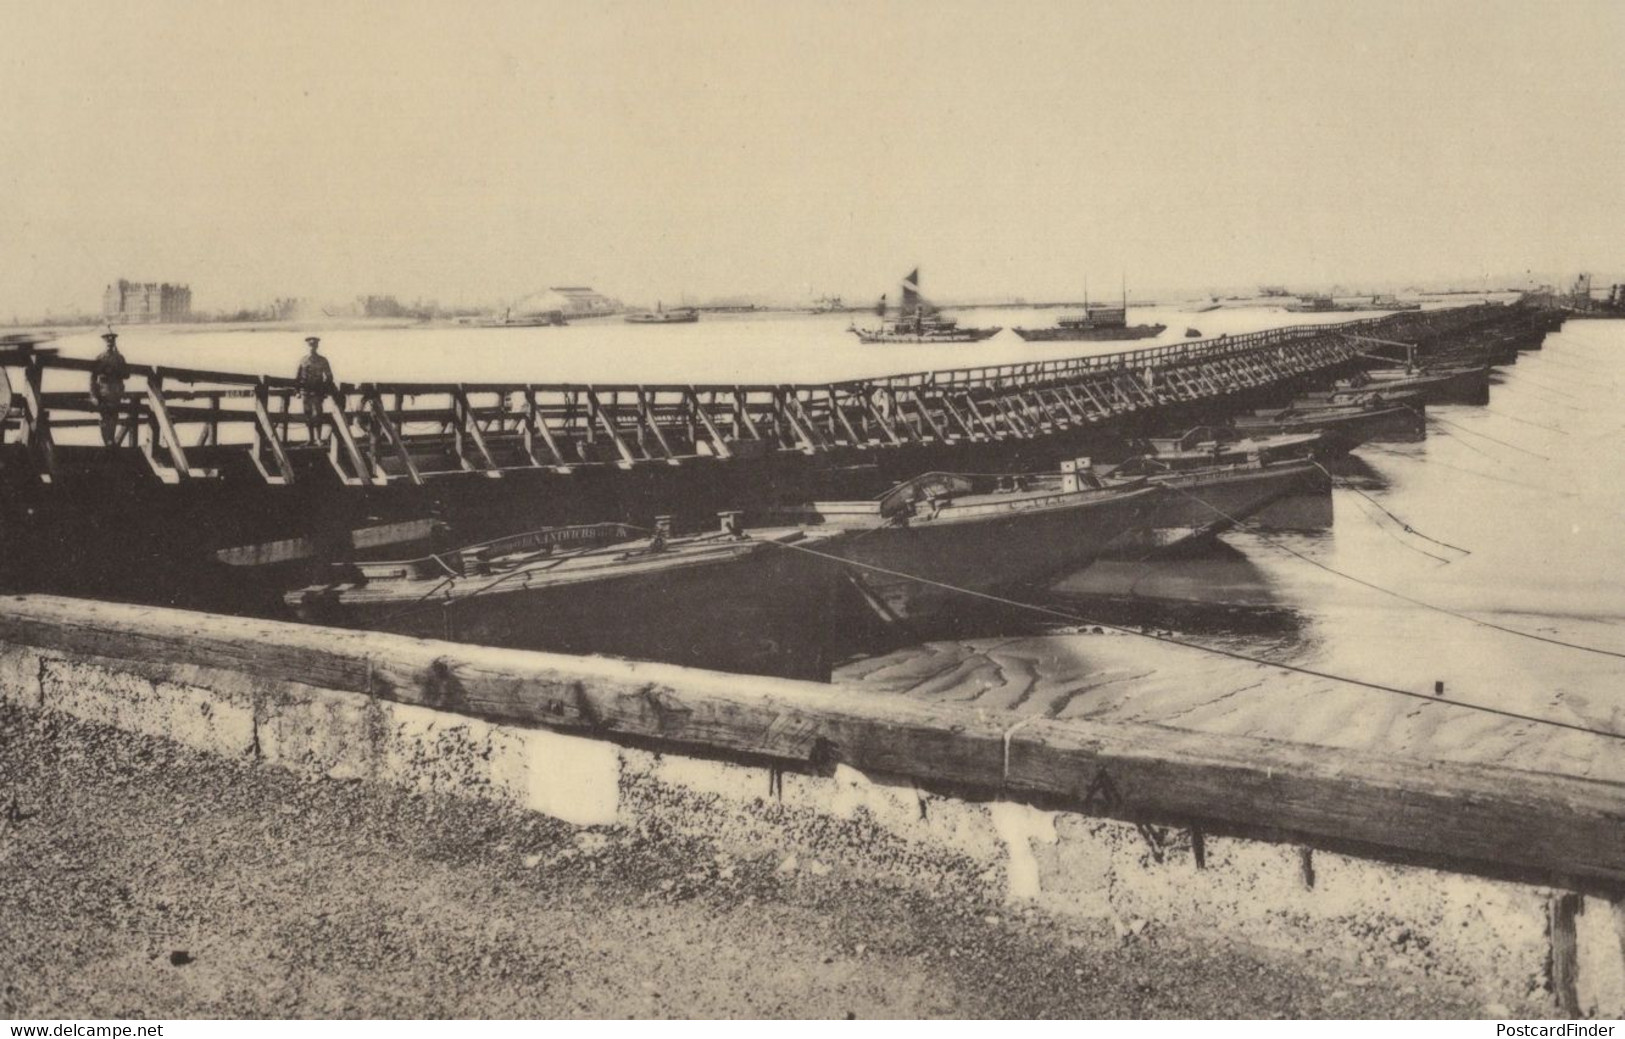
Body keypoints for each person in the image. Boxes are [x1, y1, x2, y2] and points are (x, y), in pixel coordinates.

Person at [89, 331, 130, 447]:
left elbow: (127, 375)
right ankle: (107, 442)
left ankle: (110, 442)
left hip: (116, 392)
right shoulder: (100, 358)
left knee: (114, 418)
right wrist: (93, 396)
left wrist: (120, 364)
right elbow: (92, 378)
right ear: (104, 342)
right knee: (105, 418)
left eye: (112, 341)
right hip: (104, 393)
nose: (110, 343)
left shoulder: (120, 357)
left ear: (114, 343)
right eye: (108, 342)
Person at [295, 336, 335, 444]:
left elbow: (329, 376)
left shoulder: (322, 360)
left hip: (318, 391)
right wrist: (297, 391)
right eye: (310, 345)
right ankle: (310, 438)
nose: (312, 347)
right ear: (307, 346)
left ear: (317, 346)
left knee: (317, 414)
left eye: (314, 345)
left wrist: (325, 388)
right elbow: (297, 377)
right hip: (305, 392)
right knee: (307, 414)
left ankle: (318, 438)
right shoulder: (303, 360)